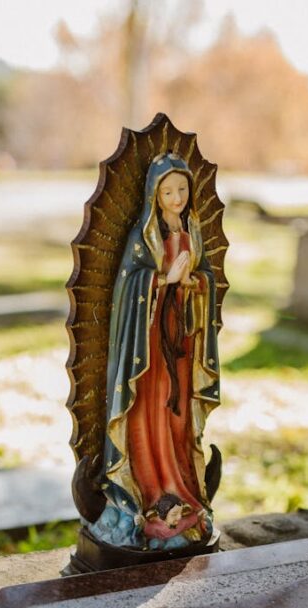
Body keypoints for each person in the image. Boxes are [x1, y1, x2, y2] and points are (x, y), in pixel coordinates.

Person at [90, 152, 220, 552]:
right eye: (169, 191)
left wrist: (194, 282)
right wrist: (163, 279)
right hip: (146, 349)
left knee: (175, 417)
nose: (177, 197)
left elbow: (206, 279)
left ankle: (179, 489)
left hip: (181, 339)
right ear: (155, 195)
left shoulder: (193, 229)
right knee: (149, 411)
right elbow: (130, 286)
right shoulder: (143, 235)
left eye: (182, 189)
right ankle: (147, 490)